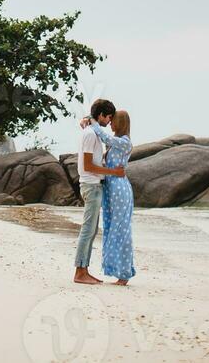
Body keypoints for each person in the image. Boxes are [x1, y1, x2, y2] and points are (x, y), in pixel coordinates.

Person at [73, 98, 125, 286]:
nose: (110, 122)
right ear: (101, 115)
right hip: (91, 185)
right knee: (88, 230)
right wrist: (113, 172)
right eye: (108, 117)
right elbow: (88, 165)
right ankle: (80, 271)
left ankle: (83, 269)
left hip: (93, 185)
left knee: (92, 229)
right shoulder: (90, 134)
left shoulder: (93, 132)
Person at [84, 109, 136, 285]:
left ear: (120, 122)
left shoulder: (125, 142)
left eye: (113, 120)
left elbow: (105, 138)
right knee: (111, 227)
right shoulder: (117, 143)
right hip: (111, 188)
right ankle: (118, 270)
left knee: (121, 229)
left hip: (120, 189)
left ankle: (124, 274)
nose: (111, 123)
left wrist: (93, 122)